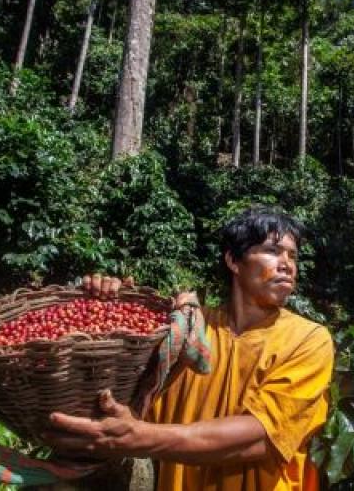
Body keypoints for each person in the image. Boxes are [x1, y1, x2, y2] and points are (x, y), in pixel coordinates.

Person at [42, 207, 335, 490]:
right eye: (272, 251)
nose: (287, 264)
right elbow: (119, 396)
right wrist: (105, 306)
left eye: (293, 255)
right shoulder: (186, 327)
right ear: (234, 261)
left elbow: (260, 438)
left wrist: (139, 437)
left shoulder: (308, 339)